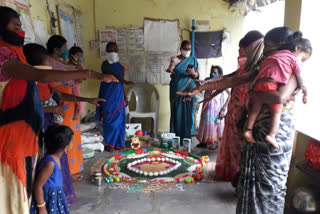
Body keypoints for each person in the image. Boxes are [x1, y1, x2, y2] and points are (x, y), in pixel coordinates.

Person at [0, 6, 117, 214]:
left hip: (27, 137)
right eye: (15, 26)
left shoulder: (19, 58)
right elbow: (44, 77)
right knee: (14, 190)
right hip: (11, 142)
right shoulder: (5, 59)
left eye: (21, 25)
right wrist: (92, 74)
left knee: (26, 186)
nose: (21, 31)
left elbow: (56, 85)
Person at [177, 30, 264, 182]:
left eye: (241, 49)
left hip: (245, 113)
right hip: (235, 109)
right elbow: (229, 78)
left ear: (250, 48)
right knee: (230, 142)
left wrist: (201, 88)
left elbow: (230, 82)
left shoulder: (258, 68)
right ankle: (230, 172)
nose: (239, 53)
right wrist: (207, 86)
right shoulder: (247, 66)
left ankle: (237, 176)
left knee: (239, 146)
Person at [244, 32, 312, 148]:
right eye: (303, 58)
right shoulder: (293, 60)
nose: (302, 62)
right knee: (276, 112)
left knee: (254, 110)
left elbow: (261, 72)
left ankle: (247, 130)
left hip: (260, 84)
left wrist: (253, 92)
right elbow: (280, 97)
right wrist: (305, 90)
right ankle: (272, 135)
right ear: (297, 48)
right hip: (271, 87)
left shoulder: (273, 56)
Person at [23, 43, 105, 129]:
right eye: (47, 60)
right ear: (39, 63)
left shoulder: (47, 79)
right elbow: (26, 108)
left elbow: (61, 95)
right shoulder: (27, 82)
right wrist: (52, 109)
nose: (50, 64)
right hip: (37, 119)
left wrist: (87, 100)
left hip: (47, 115)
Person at [96, 42, 134, 152]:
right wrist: (125, 81)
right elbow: (113, 75)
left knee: (120, 122)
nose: (112, 52)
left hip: (119, 96)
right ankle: (110, 144)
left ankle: (118, 143)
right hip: (107, 95)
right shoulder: (104, 65)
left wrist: (125, 96)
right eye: (110, 50)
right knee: (109, 120)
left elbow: (120, 84)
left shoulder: (121, 67)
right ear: (106, 52)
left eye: (114, 50)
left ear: (117, 52)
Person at [30, 125, 74, 214]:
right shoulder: (50, 164)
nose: (73, 142)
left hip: (55, 199)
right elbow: (38, 186)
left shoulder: (56, 158)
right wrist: (41, 208)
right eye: (72, 140)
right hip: (47, 202)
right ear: (65, 147)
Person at [167, 40, 199, 140]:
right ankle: (175, 138)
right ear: (180, 49)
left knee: (187, 114)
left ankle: (186, 138)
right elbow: (172, 65)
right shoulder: (175, 59)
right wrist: (170, 69)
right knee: (177, 112)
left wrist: (192, 73)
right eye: (185, 49)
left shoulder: (193, 60)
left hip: (189, 90)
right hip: (176, 90)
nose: (187, 51)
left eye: (189, 49)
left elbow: (197, 75)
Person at [196, 65, 231, 150]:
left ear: (219, 74)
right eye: (212, 72)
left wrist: (223, 108)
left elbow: (230, 94)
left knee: (214, 125)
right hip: (206, 106)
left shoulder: (222, 82)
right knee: (204, 124)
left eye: (215, 72)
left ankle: (214, 143)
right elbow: (200, 87)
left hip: (215, 108)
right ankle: (203, 142)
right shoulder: (208, 80)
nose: (212, 74)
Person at [68, 46, 85, 118]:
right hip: (71, 88)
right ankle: (73, 123)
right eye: (78, 55)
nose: (80, 57)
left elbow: (84, 78)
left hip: (76, 88)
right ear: (72, 55)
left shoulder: (78, 66)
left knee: (78, 106)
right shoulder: (68, 65)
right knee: (76, 106)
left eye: (81, 55)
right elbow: (79, 79)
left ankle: (75, 124)